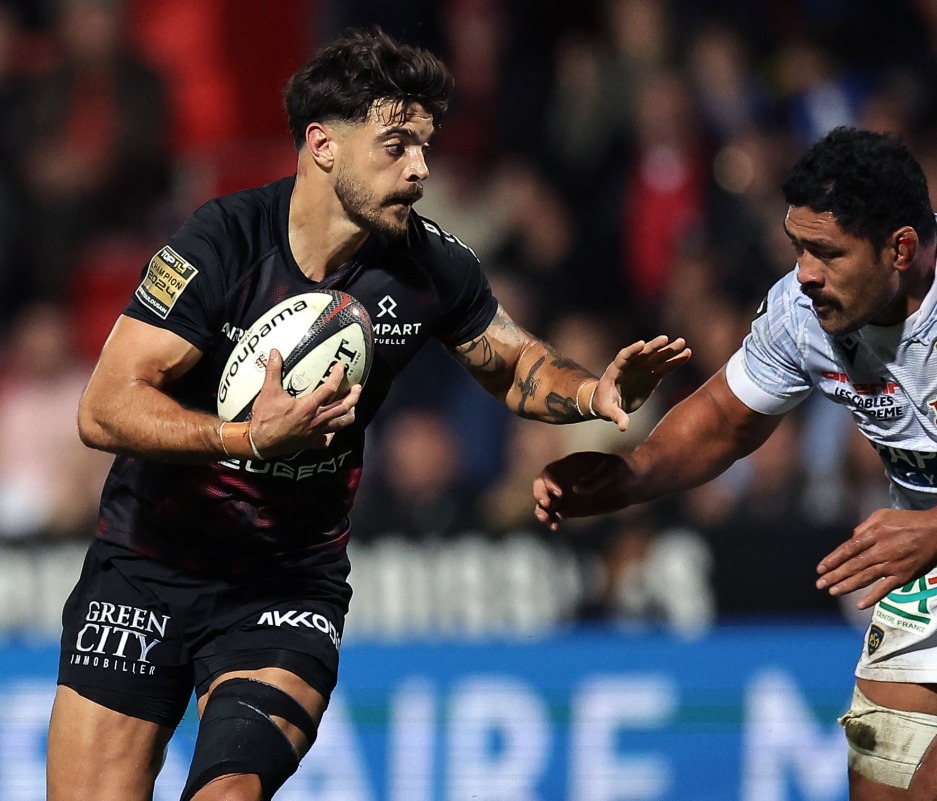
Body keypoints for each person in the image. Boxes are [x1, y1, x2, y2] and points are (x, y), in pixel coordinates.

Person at [49, 28, 690, 801]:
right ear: (323, 146)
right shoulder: (222, 243)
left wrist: (594, 393)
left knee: (229, 792)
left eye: (425, 145)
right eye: (396, 145)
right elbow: (104, 406)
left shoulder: (430, 267)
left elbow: (516, 362)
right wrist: (246, 437)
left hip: (286, 582)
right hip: (147, 566)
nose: (421, 168)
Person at [535, 126, 937, 801]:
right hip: (931, 551)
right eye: (798, 246)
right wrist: (629, 475)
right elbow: (725, 419)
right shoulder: (806, 309)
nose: (804, 271)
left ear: (901, 248)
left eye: (825, 252)